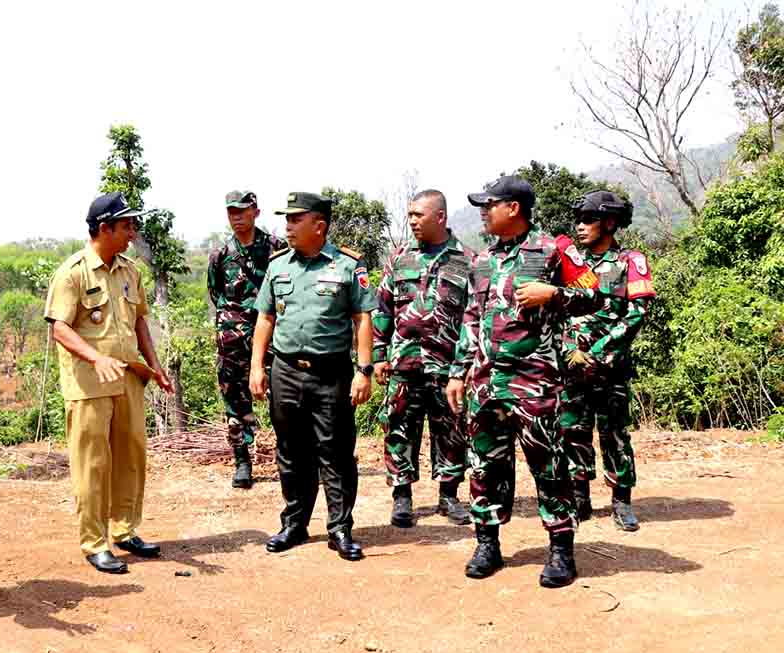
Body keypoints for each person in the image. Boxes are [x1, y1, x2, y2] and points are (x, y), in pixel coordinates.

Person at [446, 175, 607, 588]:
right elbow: (469, 318)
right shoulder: (481, 260)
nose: (484, 211)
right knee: (484, 466)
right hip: (485, 382)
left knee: (549, 466)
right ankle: (488, 543)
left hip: (535, 383)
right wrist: (457, 371)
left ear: (513, 208)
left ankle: (560, 549)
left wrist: (553, 294)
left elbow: (596, 291)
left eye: (490, 204)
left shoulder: (554, 249)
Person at [44, 191, 173, 575]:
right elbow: (59, 328)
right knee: (93, 464)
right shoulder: (73, 272)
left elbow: (139, 323)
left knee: (131, 457)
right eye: (126, 225)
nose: (132, 232)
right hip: (90, 384)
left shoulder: (129, 270)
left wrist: (155, 364)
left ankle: (124, 529)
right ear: (105, 228)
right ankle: (95, 542)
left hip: (129, 378)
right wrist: (96, 357)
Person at [250, 192, 376, 561]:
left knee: (335, 452)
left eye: (295, 220)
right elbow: (266, 318)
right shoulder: (278, 267)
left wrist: (364, 371)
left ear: (318, 226)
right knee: (291, 451)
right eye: (286, 220)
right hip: (285, 371)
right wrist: (257, 366)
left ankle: (340, 529)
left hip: (331, 374)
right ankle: (294, 523)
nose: (287, 227)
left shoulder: (348, 266)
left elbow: (362, 319)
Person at [373, 190, 472, 527]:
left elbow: (474, 317)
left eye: (419, 215)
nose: (412, 221)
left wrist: (466, 365)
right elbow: (383, 308)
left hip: (448, 367)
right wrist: (377, 354)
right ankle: (402, 498)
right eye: (410, 215)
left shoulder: (467, 260)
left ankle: (449, 495)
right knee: (399, 429)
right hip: (404, 363)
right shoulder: (399, 258)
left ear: (440, 217)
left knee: (452, 431)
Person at [557, 191, 654, 532]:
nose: (580, 227)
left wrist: (599, 350)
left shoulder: (630, 261)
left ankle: (622, 502)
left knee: (614, 433)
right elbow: (560, 313)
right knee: (574, 431)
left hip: (610, 367)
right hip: (573, 366)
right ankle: (580, 498)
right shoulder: (573, 264)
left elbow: (637, 314)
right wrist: (568, 349)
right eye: (579, 220)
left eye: (588, 220)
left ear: (609, 223)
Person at [207, 190, 286, 488]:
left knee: (283, 396)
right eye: (231, 212)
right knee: (235, 401)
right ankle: (242, 462)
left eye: (242, 211)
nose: (237, 217)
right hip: (232, 341)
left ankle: (287, 459)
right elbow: (216, 295)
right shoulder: (221, 255)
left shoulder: (276, 248)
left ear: (256, 211)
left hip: (274, 336)